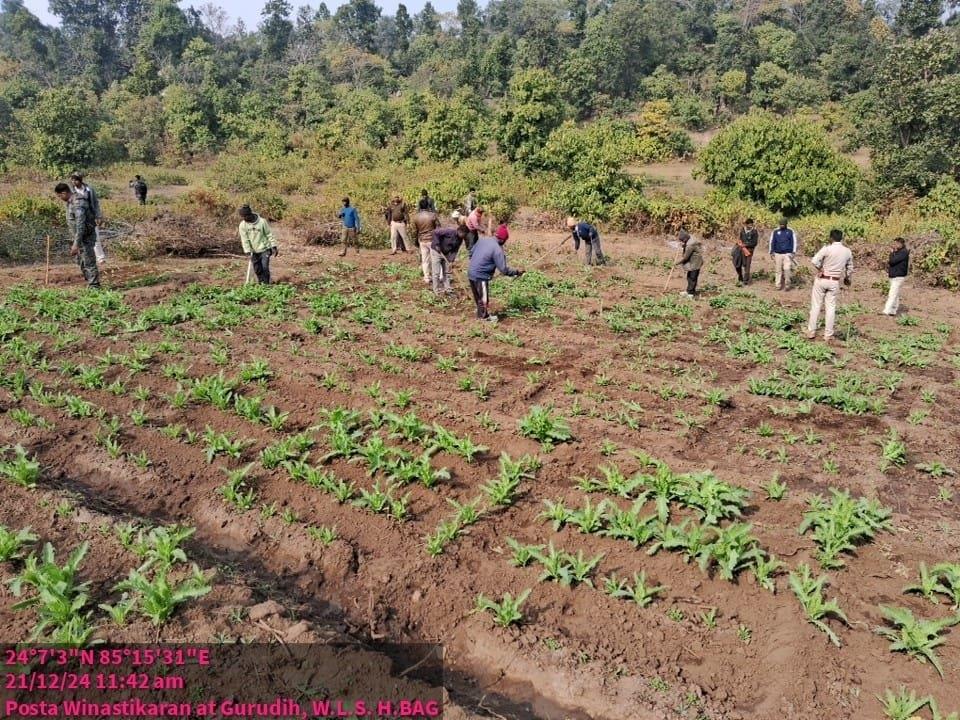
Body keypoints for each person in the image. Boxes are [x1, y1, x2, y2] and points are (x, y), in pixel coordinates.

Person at [467, 224, 524, 322]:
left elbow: (471, 252)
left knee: (478, 296)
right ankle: (483, 318)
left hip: (471, 272)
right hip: (481, 275)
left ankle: (480, 313)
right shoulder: (497, 249)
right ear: (503, 239)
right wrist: (516, 272)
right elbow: (504, 269)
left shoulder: (483, 240)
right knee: (484, 298)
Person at [806, 229, 853, 342]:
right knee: (831, 308)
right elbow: (850, 267)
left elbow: (814, 260)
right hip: (835, 281)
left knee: (816, 306)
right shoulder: (847, 251)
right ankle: (828, 334)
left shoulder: (827, 249)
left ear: (831, 238)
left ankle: (811, 331)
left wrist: (820, 269)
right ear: (841, 238)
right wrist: (847, 278)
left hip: (822, 279)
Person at [54, 182, 100, 289]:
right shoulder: (71, 202)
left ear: (64, 193)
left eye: (60, 196)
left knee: (89, 262)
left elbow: (80, 225)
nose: (60, 198)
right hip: (80, 238)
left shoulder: (78, 203)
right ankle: (90, 282)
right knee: (81, 261)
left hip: (86, 237)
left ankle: (95, 287)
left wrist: (76, 244)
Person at [238, 204, 278, 284]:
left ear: (250, 214)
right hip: (254, 251)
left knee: (265, 267)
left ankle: (266, 284)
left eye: (245, 216)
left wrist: (274, 246)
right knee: (257, 269)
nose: (244, 219)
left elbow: (269, 234)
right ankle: (261, 283)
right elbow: (244, 239)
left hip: (265, 249)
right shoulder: (242, 225)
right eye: (243, 217)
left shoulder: (262, 222)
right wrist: (247, 251)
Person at [430, 224, 468, 295]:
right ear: (460, 231)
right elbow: (435, 233)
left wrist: (451, 260)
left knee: (447, 272)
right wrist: (437, 244)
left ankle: (448, 289)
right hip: (436, 252)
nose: (464, 236)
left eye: (465, 235)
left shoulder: (460, 240)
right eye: (464, 234)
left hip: (446, 254)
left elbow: (455, 250)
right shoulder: (449, 231)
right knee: (436, 273)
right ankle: (436, 291)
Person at [412, 198, 440, 285]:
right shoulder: (433, 215)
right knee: (435, 259)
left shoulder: (416, 217)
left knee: (425, 260)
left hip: (422, 240)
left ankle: (427, 277)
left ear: (420, 206)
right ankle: (437, 277)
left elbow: (414, 231)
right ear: (428, 206)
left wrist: (416, 241)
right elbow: (439, 228)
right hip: (432, 240)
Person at [882, 237, 909, 317]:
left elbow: (892, 261)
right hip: (894, 275)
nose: (895, 245)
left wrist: (891, 253)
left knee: (892, 293)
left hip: (899, 276)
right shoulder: (898, 252)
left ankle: (886, 310)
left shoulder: (904, 252)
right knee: (895, 294)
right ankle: (893, 310)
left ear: (901, 244)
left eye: (896, 243)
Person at [768, 218, 798, 290]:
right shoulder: (775, 231)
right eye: (781, 224)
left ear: (786, 224)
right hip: (777, 253)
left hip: (787, 254)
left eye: (783, 225)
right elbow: (772, 242)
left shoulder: (790, 231)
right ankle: (778, 285)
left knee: (787, 269)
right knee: (778, 270)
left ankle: (787, 285)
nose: (782, 226)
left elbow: (794, 242)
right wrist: (771, 252)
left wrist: (793, 252)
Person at [676, 230, 703, 298]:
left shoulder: (690, 244)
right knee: (689, 277)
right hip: (692, 261)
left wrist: (678, 263)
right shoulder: (690, 239)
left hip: (696, 262)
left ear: (685, 239)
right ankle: (688, 291)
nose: (682, 242)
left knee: (693, 277)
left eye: (682, 240)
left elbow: (685, 257)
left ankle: (691, 293)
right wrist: (683, 245)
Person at [733, 218, 758, 285]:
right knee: (737, 264)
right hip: (741, 250)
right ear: (746, 224)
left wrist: (746, 245)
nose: (750, 226)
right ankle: (740, 276)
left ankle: (745, 281)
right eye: (749, 225)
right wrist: (739, 244)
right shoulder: (742, 230)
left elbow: (755, 243)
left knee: (747, 265)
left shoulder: (754, 232)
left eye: (751, 225)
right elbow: (740, 239)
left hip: (749, 251)